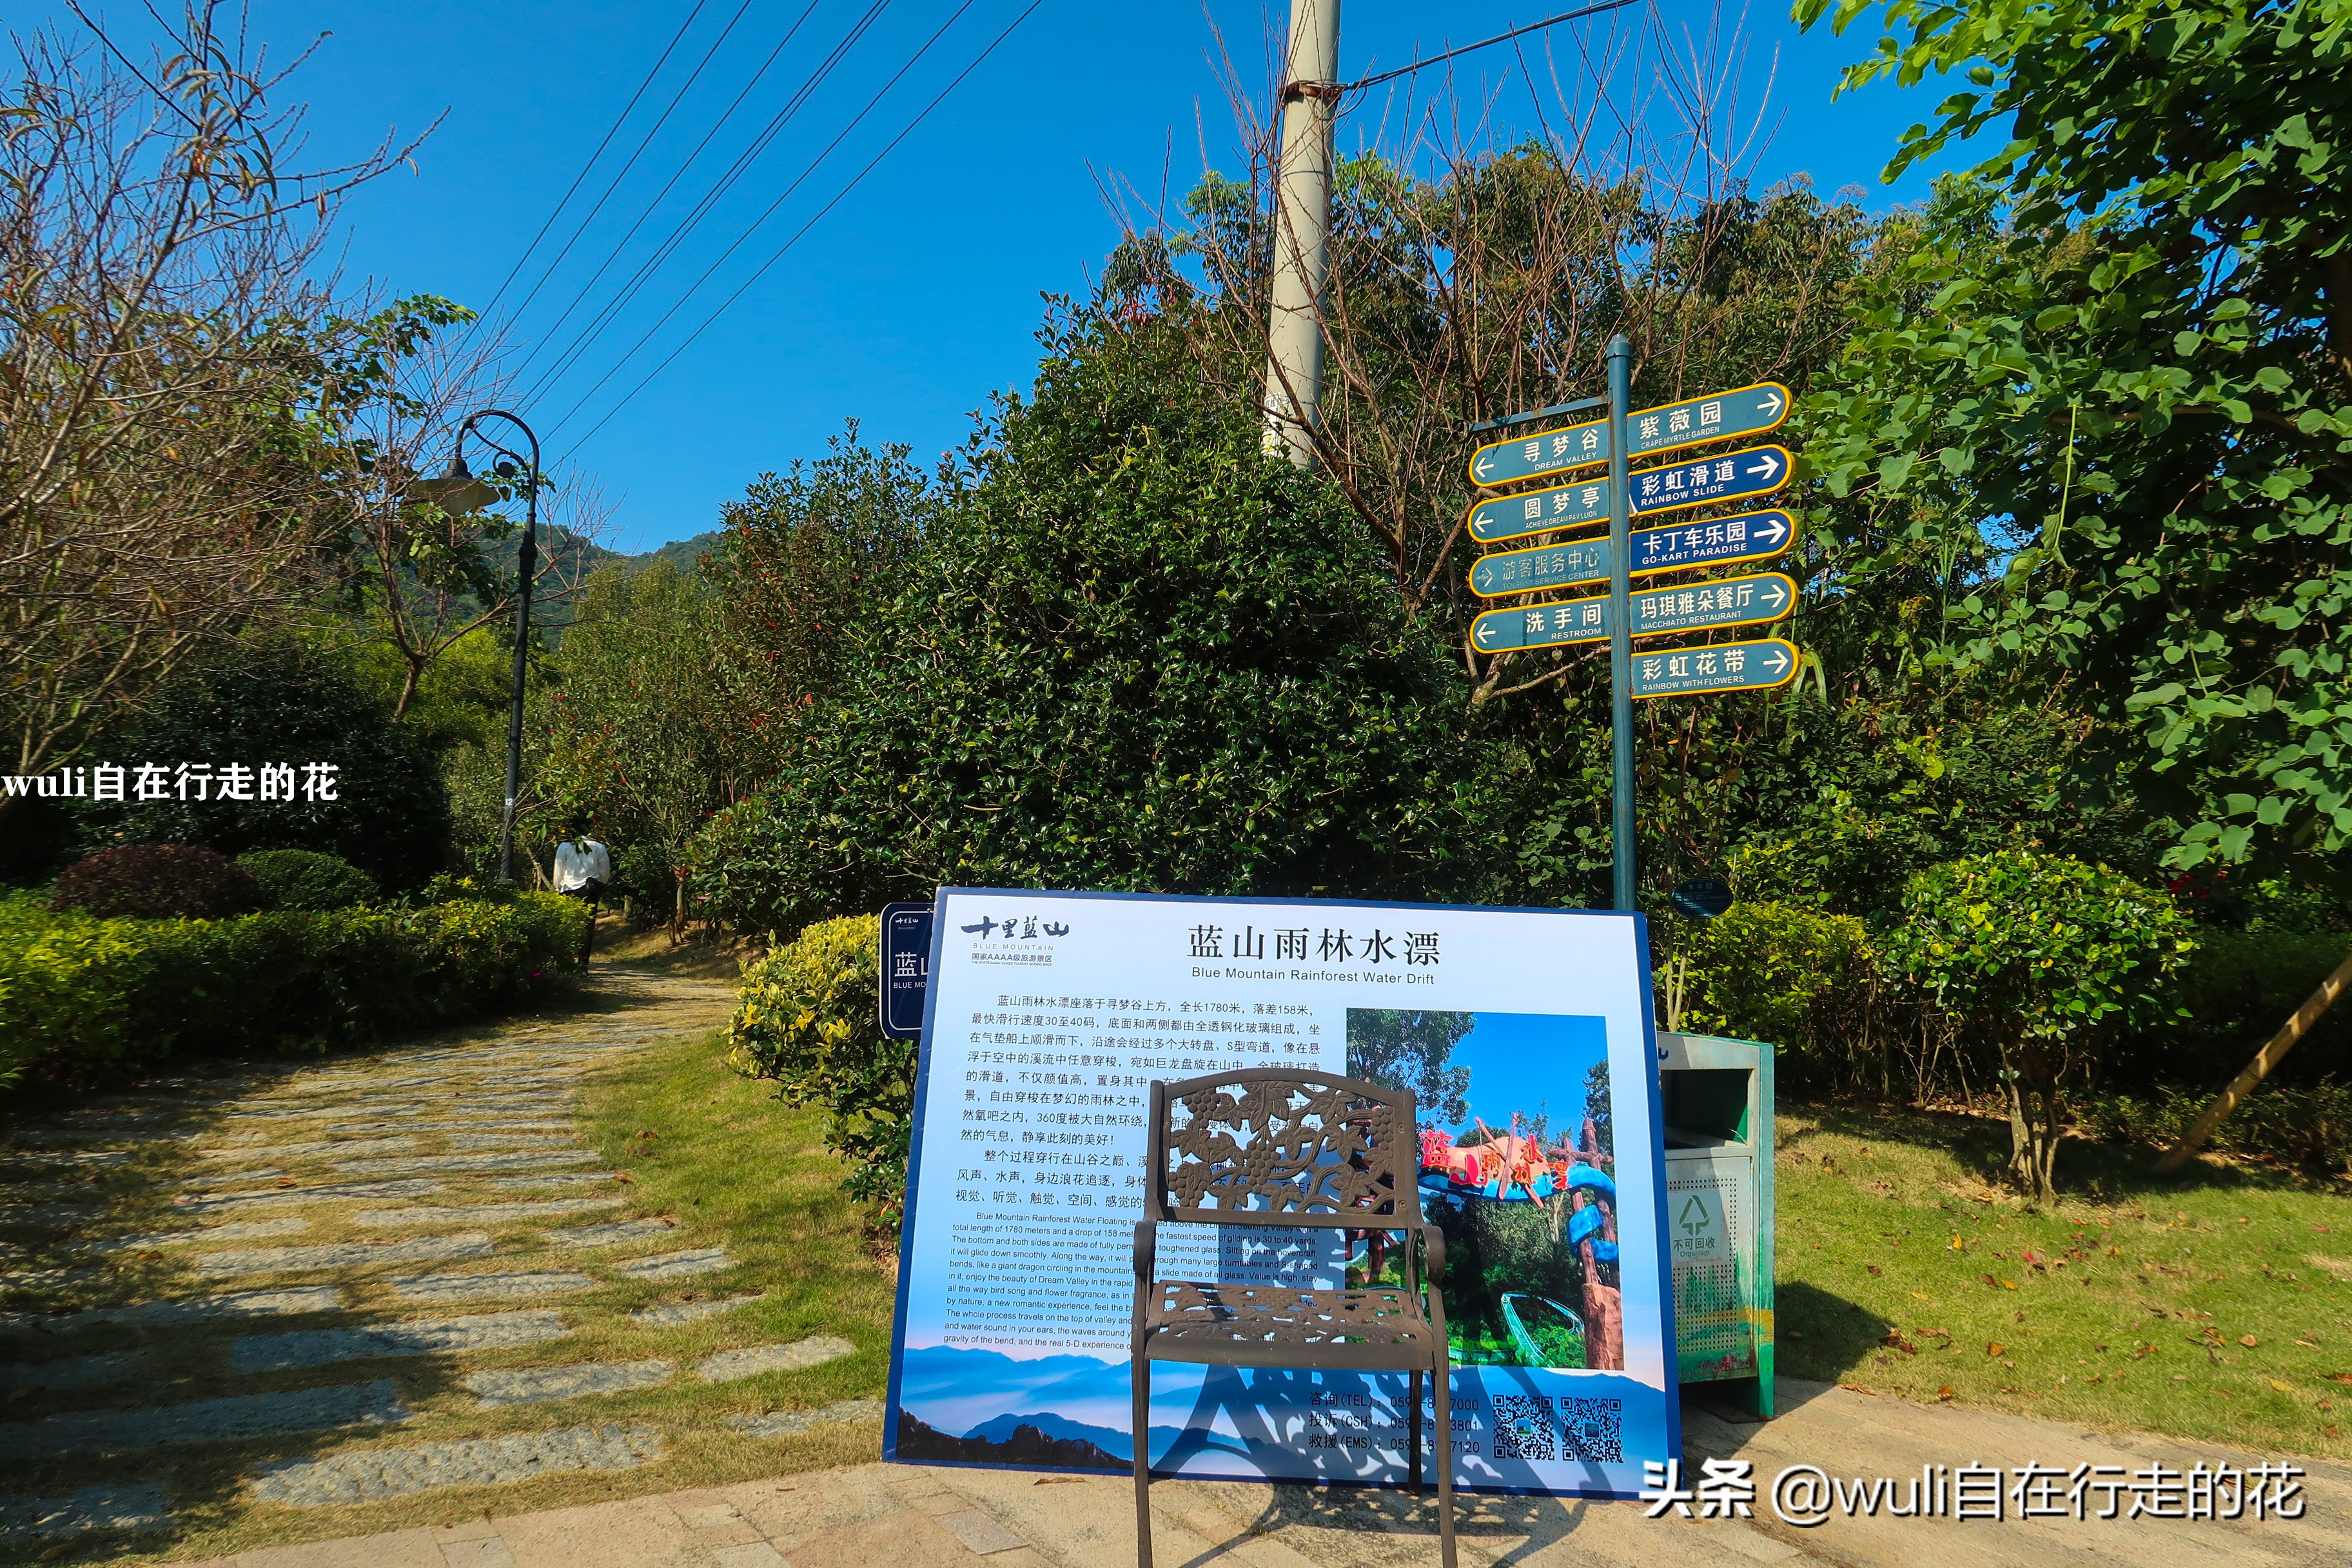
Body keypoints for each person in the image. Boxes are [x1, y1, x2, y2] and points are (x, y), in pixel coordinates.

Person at [551, 826, 611, 966]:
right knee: (587, 927)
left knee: (566, 925)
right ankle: (583, 964)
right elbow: (605, 873)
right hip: (589, 890)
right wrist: (599, 882)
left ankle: (565, 961)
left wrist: (558, 886)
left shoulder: (565, 846)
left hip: (568, 890)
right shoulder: (599, 846)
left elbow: (559, 869)